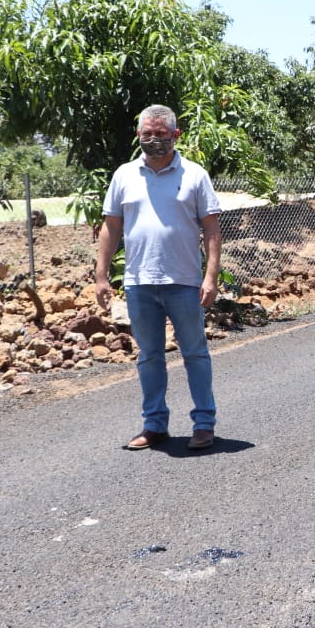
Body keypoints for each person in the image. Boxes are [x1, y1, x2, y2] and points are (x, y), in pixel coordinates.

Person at [95, 104, 223, 452]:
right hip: (139, 282)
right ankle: (154, 425)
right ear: (138, 135)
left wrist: (210, 276)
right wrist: (102, 275)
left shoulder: (195, 175)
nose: (153, 140)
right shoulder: (124, 175)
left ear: (176, 135)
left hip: (184, 281)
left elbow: (211, 227)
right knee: (149, 356)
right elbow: (111, 226)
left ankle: (204, 424)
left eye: (161, 134)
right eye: (147, 134)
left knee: (195, 353)